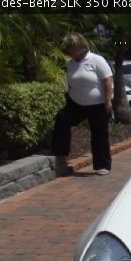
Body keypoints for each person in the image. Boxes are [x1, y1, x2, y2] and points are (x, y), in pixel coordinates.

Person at [51, 33, 113, 175]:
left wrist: (107, 102)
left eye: (71, 48)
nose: (68, 52)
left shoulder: (97, 60)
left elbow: (107, 81)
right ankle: (60, 153)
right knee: (62, 119)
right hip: (76, 103)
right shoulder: (71, 64)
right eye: (67, 49)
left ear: (80, 47)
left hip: (97, 104)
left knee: (99, 134)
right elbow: (72, 83)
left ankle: (102, 166)